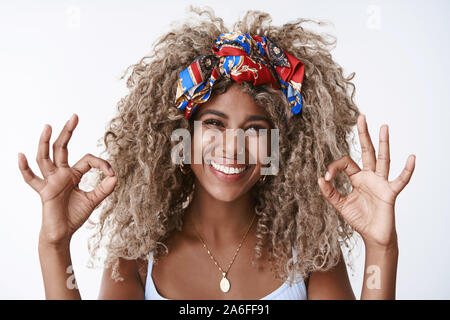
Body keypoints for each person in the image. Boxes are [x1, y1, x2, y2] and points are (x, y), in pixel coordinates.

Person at [18, 7, 415, 300]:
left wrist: (382, 248)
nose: (232, 147)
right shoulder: (137, 259)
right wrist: (53, 246)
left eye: (256, 130)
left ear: (284, 147)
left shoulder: (310, 258)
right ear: (180, 134)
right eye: (214, 123)